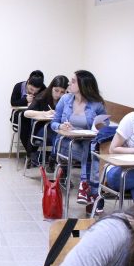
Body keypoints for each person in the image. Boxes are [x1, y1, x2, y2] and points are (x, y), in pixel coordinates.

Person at [49, 70, 106, 204]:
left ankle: (86, 188)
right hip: (65, 142)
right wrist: (61, 126)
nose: (69, 83)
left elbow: (104, 127)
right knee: (93, 154)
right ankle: (93, 191)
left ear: (83, 85)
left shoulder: (97, 104)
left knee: (89, 147)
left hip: (87, 142)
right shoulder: (65, 99)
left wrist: (99, 127)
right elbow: (53, 123)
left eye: (73, 81)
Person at [22, 75, 69, 167]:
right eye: (56, 90)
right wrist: (44, 113)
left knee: (62, 135)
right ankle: (54, 160)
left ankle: (58, 161)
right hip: (42, 129)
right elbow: (26, 113)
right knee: (57, 135)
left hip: (59, 128)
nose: (58, 94)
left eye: (62, 92)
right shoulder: (42, 96)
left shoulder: (67, 99)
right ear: (51, 88)